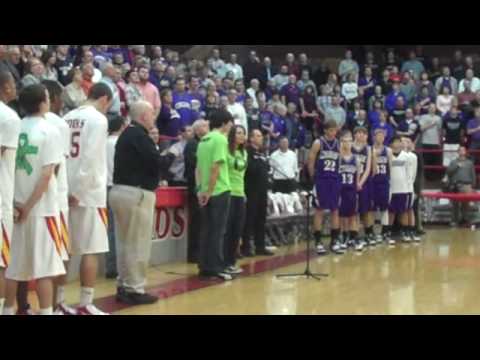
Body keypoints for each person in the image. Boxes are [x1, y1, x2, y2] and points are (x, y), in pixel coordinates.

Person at [3, 84, 65, 316]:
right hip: (41, 209)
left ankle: (7, 310)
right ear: (42, 103)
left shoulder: (15, 126)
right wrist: (29, 207)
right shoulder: (50, 130)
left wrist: (17, 206)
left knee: (14, 268)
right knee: (45, 270)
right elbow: (47, 174)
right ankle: (47, 312)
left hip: (15, 208)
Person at [110, 101, 176, 305]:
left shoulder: (126, 135)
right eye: (152, 114)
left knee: (123, 243)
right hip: (136, 193)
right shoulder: (139, 136)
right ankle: (135, 288)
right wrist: (174, 153)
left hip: (119, 191)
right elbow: (157, 162)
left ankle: (124, 284)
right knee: (138, 243)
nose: (154, 118)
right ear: (144, 116)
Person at [63, 83, 113, 315]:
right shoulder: (99, 120)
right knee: (90, 249)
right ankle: (85, 303)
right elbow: (91, 159)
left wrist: (68, 188)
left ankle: (58, 302)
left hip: (64, 190)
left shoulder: (67, 116)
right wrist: (79, 190)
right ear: (104, 99)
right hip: (89, 193)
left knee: (65, 250)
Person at [41, 80, 76, 315]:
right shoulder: (58, 124)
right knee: (61, 254)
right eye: (60, 96)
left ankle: (19, 306)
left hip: (26, 199)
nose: (63, 100)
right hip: (56, 198)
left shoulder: (22, 122)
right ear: (51, 98)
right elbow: (57, 167)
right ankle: (56, 304)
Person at [196, 109, 235, 280]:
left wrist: (201, 191)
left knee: (207, 230)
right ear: (225, 123)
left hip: (205, 191)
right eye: (231, 123)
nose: (232, 126)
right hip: (219, 190)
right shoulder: (220, 139)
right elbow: (215, 168)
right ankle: (216, 267)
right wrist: (210, 191)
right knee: (218, 231)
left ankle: (204, 266)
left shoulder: (203, 139)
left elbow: (197, 168)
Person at [0, 71, 21, 315]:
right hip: (2, 197)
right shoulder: (9, 117)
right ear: (6, 87)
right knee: (2, 261)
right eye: (13, 84)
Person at [308, 120, 343, 255]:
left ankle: (334, 241)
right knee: (319, 210)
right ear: (326, 130)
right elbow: (311, 160)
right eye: (331, 130)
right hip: (321, 180)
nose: (334, 132)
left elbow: (340, 161)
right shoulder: (318, 143)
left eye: (335, 130)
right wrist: (313, 177)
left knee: (335, 210)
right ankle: (318, 241)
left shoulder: (338, 144)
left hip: (334, 180)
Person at [242, 129, 274, 257]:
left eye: (261, 136)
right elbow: (249, 168)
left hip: (262, 189)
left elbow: (266, 168)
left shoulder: (262, 153)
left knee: (261, 218)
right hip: (251, 189)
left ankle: (260, 246)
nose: (261, 138)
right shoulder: (247, 152)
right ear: (251, 138)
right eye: (258, 136)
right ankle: (246, 247)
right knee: (250, 219)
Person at [105, 115, 128, 280]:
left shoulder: (103, 142)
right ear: (121, 127)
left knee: (109, 229)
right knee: (120, 230)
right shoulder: (120, 143)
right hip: (118, 186)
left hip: (103, 187)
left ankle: (111, 266)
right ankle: (118, 267)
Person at [184, 119, 209, 264]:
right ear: (197, 129)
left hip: (203, 186)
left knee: (202, 221)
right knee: (196, 221)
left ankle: (201, 251)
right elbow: (196, 164)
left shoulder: (203, 143)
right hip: (195, 187)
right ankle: (193, 254)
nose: (207, 128)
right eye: (204, 126)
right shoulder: (192, 144)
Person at [224, 125, 248, 275]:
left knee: (236, 230)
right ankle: (224, 261)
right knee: (227, 229)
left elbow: (242, 174)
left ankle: (231, 261)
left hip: (240, 193)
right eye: (238, 133)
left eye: (243, 133)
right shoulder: (226, 150)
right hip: (228, 193)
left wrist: (244, 193)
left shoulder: (244, 152)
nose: (241, 136)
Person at [338, 130, 363, 252]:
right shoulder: (338, 158)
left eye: (349, 141)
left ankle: (354, 237)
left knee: (353, 215)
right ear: (341, 142)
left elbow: (358, 176)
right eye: (344, 141)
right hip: (341, 190)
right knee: (342, 215)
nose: (347, 143)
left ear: (352, 143)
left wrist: (358, 184)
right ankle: (344, 236)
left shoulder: (356, 159)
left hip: (351, 190)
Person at [352, 127, 375, 246]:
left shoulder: (369, 148)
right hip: (351, 180)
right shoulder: (349, 147)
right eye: (358, 132)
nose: (360, 135)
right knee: (353, 210)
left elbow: (368, 168)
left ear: (366, 136)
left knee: (367, 209)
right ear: (354, 135)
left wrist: (360, 182)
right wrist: (355, 182)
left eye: (363, 133)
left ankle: (369, 232)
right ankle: (353, 234)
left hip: (364, 182)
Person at [388, 136, 411, 244]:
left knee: (403, 211)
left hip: (403, 188)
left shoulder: (406, 156)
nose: (397, 144)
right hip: (392, 189)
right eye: (395, 141)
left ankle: (404, 232)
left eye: (399, 142)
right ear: (391, 144)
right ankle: (388, 233)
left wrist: (409, 187)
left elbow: (409, 173)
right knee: (391, 212)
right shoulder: (388, 155)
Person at [372, 128, 393, 244]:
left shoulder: (388, 151)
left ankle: (385, 232)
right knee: (374, 208)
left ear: (384, 138)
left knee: (385, 208)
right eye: (378, 135)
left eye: (382, 136)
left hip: (384, 181)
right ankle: (375, 232)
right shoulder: (370, 150)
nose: (380, 137)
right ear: (374, 137)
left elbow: (390, 167)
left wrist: (390, 181)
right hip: (373, 182)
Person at [446, 146, 477, 226]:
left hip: (467, 186)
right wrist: (457, 166)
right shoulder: (453, 162)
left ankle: (465, 220)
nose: (462, 151)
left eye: (463, 150)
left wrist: (473, 186)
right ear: (458, 152)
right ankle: (455, 220)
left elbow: (473, 174)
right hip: (456, 186)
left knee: (466, 205)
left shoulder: (470, 163)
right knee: (455, 204)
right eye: (460, 150)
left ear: (466, 152)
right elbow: (448, 172)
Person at [401, 136, 421, 242]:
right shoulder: (396, 155)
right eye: (402, 141)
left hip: (409, 187)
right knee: (402, 210)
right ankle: (403, 230)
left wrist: (413, 188)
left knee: (410, 209)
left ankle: (411, 230)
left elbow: (414, 174)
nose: (404, 143)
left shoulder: (413, 156)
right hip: (398, 187)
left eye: (407, 141)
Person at [419, 103, 442, 180]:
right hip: (426, 142)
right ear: (428, 109)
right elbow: (421, 128)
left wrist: (439, 142)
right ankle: (426, 178)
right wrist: (431, 125)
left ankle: (434, 178)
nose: (432, 109)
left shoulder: (438, 118)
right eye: (431, 107)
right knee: (426, 161)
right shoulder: (423, 117)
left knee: (435, 161)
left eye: (434, 107)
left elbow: (440, 131)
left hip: (435, 142)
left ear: (436, 109)